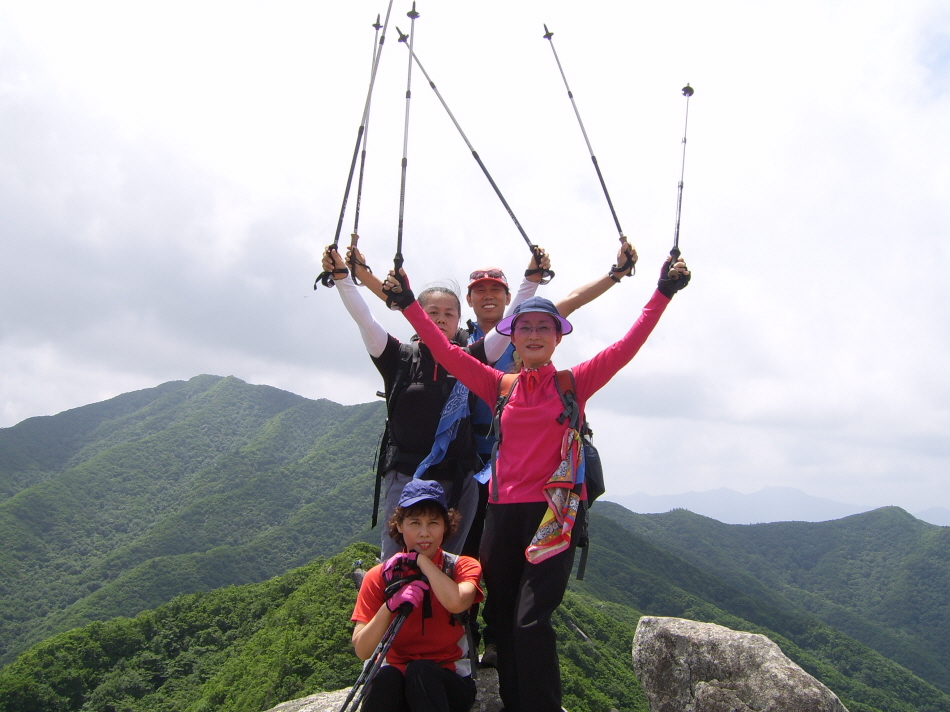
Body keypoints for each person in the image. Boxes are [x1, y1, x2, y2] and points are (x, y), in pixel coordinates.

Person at [382, 253, 690, 712]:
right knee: (502, 617)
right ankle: (513, 702)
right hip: (502, 515)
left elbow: (628, 345)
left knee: (531, 619)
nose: (532, 335)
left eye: (542, 328)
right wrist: (408, 303)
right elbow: (445, 352)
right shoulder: (499, 386)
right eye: (524, 328)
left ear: (556, 337)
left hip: (555, 515)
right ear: (513, 336)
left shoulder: (573, 383)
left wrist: (662, 292)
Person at [321, 244, 543, 559]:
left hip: (458, 480)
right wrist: (344, 277)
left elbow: (509, 326)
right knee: (397, 565)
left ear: (458, 320)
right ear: (417, 317)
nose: (440, 319)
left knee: (448, 567)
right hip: (406, 474)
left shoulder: (470, 360)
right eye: (432, 313)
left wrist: (532, 278)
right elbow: (365, 319)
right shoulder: (396, 356)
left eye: (448, 314)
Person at [351, 479, 483, 712]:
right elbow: (362, 649)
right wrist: (390, 605)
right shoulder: (379, 577)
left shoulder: (462, 566)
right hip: (397, 679)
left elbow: (457, 602)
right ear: (399, 526)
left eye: (433, 523)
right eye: (414, 523)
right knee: (385, 677)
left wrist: (421, 562)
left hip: (449, 680)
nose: (424, 533)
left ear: (445, 526)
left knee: (420, 670)